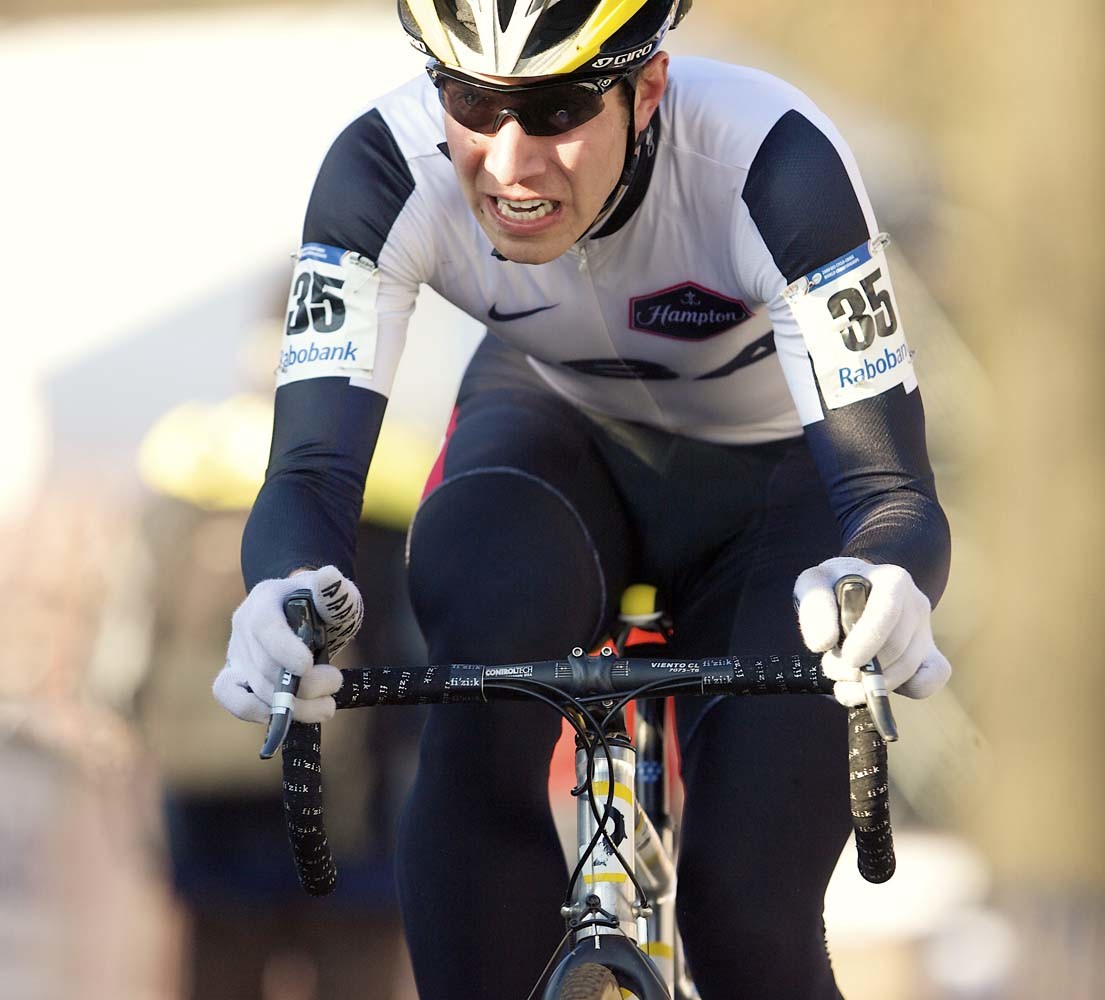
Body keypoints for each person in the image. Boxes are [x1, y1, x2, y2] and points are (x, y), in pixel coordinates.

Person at [214, 2, 952, 997]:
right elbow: (307, 477)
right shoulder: (382, 171)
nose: (512, 164)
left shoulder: (772, 165)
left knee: (743, 908)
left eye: (557, 109)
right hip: (552, 441)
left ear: (646, 90)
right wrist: (280, 593)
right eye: (474, 102)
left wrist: (886, 580)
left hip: (772, 488)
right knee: (477, 630)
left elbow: (887, 492)